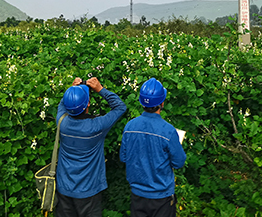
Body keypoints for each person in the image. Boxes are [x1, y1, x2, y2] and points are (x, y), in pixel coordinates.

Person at [55, 77, 127, 217]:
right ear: (88, 104)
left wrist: (72, 90)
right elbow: (120, 107)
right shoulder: (96, 127)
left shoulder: (61, 122)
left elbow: (63, 104)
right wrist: (100, 89)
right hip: (89, 190)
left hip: (64, 188)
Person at [120, 78, 186, 217]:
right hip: (161, 197)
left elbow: (124, 157)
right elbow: (179, 162)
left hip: (137, 195)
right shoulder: (168, 131)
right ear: (162, 103)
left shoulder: (130, 127)